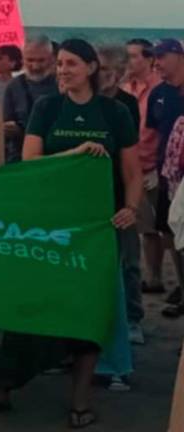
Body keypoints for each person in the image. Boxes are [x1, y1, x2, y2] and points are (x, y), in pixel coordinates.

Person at [0, 39, 141, 429]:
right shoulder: (47, 108)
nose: (63, 70)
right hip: (47, 225)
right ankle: (4, 387)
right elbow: (31, 162)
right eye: (60, 64)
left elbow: (130, 172)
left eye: (72, 64)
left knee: (88, 308)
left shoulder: (114, 112)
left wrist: (130, 208)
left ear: (92, 68)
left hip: (96, 228)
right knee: (28, 302)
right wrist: (75, 152)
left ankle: (80, 397)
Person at [98, 45, 145, 349]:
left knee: (128, 259)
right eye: (101, 69)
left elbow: (130, 153)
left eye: (110, 70)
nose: (105, 76)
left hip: (120, 186)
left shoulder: (126, 103)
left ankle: (133, 319)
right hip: (90, 191)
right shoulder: (82, 102)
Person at [122, 39, 168, 303]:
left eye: (134, 56)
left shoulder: (161, 89)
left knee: (159, 228)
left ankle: (157, 277)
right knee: (141, 226)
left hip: (154, 165)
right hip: (132, 165)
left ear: (149, 59)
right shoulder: (126, 88)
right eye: (127, 56)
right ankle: (149, 276)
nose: (129, 61)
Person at [147, 39, 184, 318]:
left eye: (161, 56)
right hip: (166, 173)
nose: (156, 62)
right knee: (168, 230)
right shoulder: (159, 93)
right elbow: (155, 135)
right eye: (154, 57)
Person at [2, 35, 60, 163]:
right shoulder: (14, 86)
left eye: (41, 60)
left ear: (52, 59)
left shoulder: (62, 84)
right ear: (22, 60)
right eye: (30, 60)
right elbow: (6, 123)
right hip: (20, 155)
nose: (35, 66)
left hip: (55, 155)